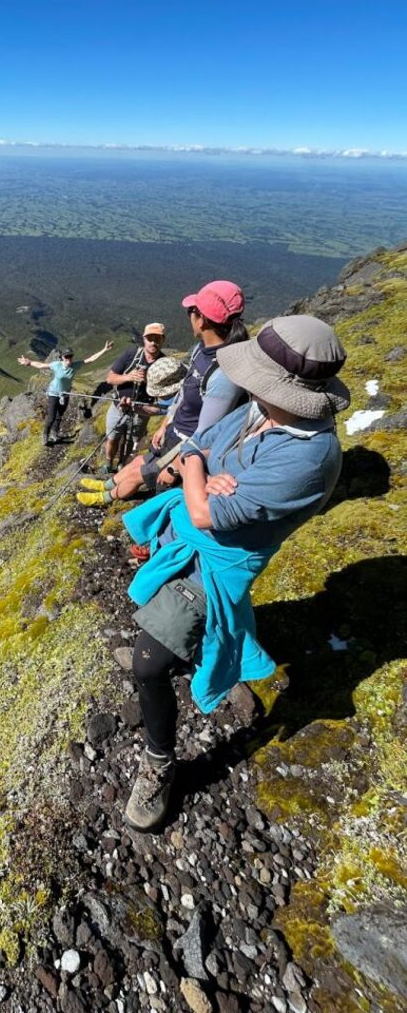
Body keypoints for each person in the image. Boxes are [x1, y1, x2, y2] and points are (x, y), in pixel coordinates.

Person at [115, 315, 349, 830]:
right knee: (159, 617)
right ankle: (187, 648)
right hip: (193, 540)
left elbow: (206, 509)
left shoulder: (309, 457)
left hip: (220, 564)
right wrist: (201, 472)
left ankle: (159, 765)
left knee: (148, 666)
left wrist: (199, 474)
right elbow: (199, 444)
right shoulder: (263, 411)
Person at [77, 281, 248, 506]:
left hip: (184, 447)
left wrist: (174, 466)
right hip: (174, 432)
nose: (189, 316)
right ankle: (107, 484)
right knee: (139, 461)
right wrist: (165, 424)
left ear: (203, 320)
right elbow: (185, 395)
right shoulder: (201, 350)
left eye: (191, 311)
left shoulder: (223, 371)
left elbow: (206, 434)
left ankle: (105, 498)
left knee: (140, 475)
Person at [18, 341, 113, 445]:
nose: (69, 359)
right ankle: (45, 436)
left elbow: (90, 360)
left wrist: (104, 350)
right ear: (62, 358)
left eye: (70, 356)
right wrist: (29, 362)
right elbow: (41, 365)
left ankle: (55, 434)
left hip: (65, 395)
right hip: (53, 393)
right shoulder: (57, 365)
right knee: (51, 417)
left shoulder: (75, 365)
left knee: (59, 416)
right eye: (66, 357)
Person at [102, 323, 167, 471]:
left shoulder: (164, 363)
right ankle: (108, 462)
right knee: (112, 438)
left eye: (157, 339)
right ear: (143, 339)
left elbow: (165, 392)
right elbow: (110, 379)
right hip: (118, 406)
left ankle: (123, 465)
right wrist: (129, 377)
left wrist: (148, 381)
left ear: (162, 340)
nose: (153, 342)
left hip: (142, 410)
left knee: (133, 440)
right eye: (150, 339)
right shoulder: (131, 355)